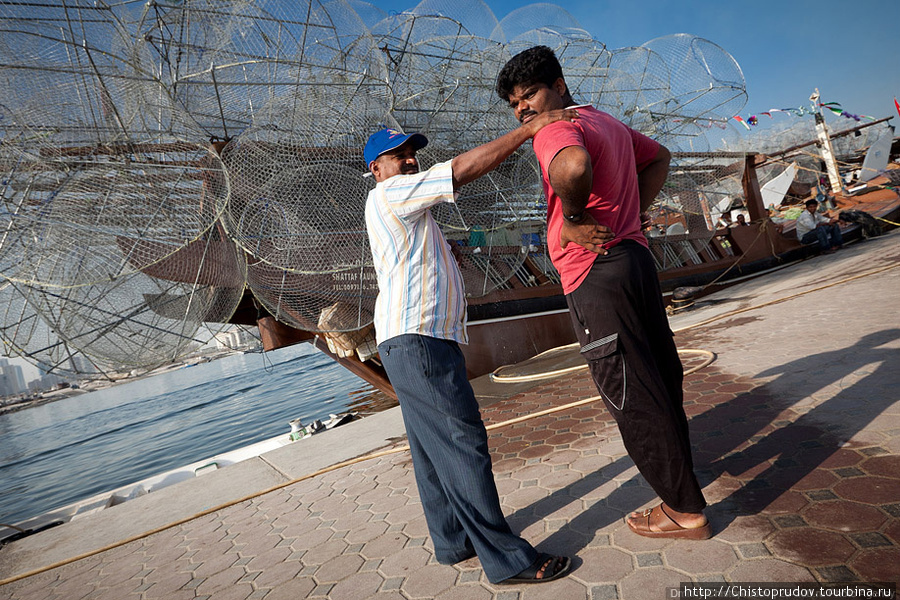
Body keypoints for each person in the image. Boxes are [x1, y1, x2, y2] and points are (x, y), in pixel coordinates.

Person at [496, 45, 711, 540]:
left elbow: (570, 167)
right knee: (659, 372)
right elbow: (659, 157)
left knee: (628, 389)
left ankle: (683, 509)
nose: (523, 108)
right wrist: (629, 217)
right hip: (633, 261)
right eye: (514, 103)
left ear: (560, 86)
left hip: (593, 270)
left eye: (530, 94)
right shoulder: (604, 121)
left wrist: (572, 219)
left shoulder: (556, 128)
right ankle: (682, 485)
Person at [363, 116, 578, 584]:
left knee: (430, 449)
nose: (410, 160)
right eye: (399, 156)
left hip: (408, 340)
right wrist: (528, 130)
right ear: (376, 168)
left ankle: (452, 541)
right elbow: (458, 170)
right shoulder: (390, 194)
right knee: (463, 442)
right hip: (418, 341)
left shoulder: (404, 209)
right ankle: (508, 560)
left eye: (411, 153)